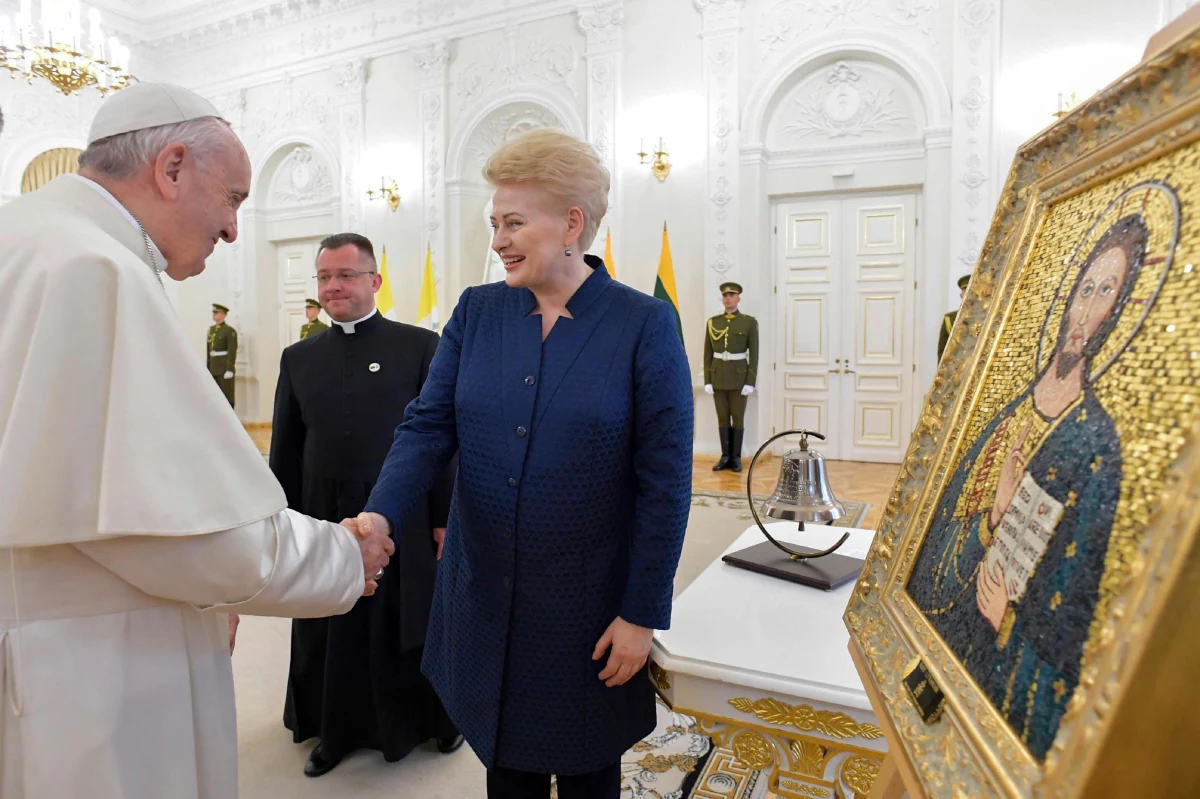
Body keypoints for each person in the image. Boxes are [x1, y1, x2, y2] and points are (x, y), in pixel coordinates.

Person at [0, 82, 395, 799]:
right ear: (172, 167)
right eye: (236, 198)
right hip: (93, 677)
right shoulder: (95, 269)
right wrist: (342, 556)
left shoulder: (29, 234)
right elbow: (177, 535)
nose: (237, 229)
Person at [353, 129, 694, 799]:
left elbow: (666, 484)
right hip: (483, 593)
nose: (499, 240)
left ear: (572, 223)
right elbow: (428, 425)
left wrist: (641, 613)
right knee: (506, 765)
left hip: (588, 610)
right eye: (494, 223)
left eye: (513, 222)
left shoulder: (644, 324)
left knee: (589, 768)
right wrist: (379, 511)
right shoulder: (478, 313)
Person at [908, 215, 1148, 760]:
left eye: (1106, 291)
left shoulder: (1094, 445)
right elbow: (936, 536)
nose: (1086, 309)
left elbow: (1073, 621)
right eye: (1084, 288)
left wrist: (1007, 620)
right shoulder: (1006, 414)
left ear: (1121, 307)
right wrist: (991, 519)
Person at [271, 233, 462, 777]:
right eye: (325, 277)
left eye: (346, 276)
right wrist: (278, 522)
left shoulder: (420, 345)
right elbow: (286, 447)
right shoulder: (298, 357)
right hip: (321, 513)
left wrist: (445, 517)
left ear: (374, 281)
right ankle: (334, 731)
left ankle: (432, 721)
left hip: (403, 508)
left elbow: (443, 440)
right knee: (330, 621)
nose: (333, 287)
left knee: (409, 618)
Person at [703, 281, 758, 473]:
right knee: (723, 418)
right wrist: (707, 379)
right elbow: (708, 353)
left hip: (739, 379)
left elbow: (755, 354)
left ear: (738, 298)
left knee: (738, 418)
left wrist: (750, 381)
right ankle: (725, 456)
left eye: (732, 295)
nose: (728, 298)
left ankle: (736, 458)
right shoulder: (713, 322)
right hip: (718, 377)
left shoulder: (749, 323)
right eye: (725, 296)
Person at [208, 302, 238, 406]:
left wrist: (229, 369)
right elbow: (209, 351)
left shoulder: (229, 331)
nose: (214, 315)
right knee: (215, 396)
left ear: (224, 315)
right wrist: (208, 368)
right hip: (214, 367)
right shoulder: (211, 330)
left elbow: (232, 350)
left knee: (227, 395)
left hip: (224, 368)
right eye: (214, 312)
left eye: (217, 312)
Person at [937, 274, 971, 361]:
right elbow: (943, 352)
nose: (970, 295)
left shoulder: (988, 317)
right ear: (961, 295)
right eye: (966, 291)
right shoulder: (950, 319)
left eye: (972, 290)